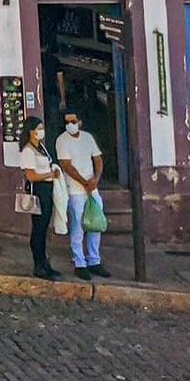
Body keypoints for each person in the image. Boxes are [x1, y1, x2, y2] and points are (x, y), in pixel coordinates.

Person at [55, 110, 109, 278]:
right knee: (77, 227)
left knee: (95, 224)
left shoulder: (87, 138)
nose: (70, 124)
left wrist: (96, 179)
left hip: (92, 188)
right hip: (75, 190)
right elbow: (66, 165)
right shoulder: (61, 140)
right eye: (67, 121)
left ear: (80, 122)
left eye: (73, 121)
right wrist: (85, 182)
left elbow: (98, 159)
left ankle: (94, 260)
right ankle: (79, 262)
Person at [18, 114, 62, 280]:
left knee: (44, 229)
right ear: (31, 131)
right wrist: (49, 174)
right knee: (38, 229)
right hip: (38, 190)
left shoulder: (41, 148)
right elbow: (30, 175)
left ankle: (45, 263)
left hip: (48, 188)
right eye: (38, 129)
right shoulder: (28, 151)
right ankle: (39, 265)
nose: (41, 131)